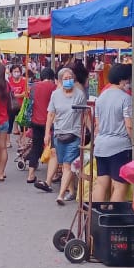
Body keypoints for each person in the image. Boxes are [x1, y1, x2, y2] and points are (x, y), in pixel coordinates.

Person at [92, 63, 134, 202]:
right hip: (119, 147)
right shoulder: (125, 98)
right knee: (120, 185)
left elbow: (97, 124)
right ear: (123, 80)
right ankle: (112, 218)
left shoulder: (101, 97)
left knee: (101, 183)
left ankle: (95, 216)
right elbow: (129, 125)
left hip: (101, 145)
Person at [46, 66, 88, 205]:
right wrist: (47, 133)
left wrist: (92, 131)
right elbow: (51, 114)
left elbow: (84, 115)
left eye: (70, 78)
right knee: (62, 163)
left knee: (67, 165)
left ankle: (61, 194)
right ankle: (67, 191)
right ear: (60, 81)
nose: (68, 81)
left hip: (74, 134)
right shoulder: (55, 95)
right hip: (59, 133)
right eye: (65, 79)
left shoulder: (80, 95)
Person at [25, 67, 55, 189]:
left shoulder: (34, 87)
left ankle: (30, 174)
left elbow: (31, 101)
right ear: (52, 77)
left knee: (36, 146)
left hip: (35, 120)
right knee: (53, 148)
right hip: (50, 121)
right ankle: (53, 174)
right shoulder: (53, 88)